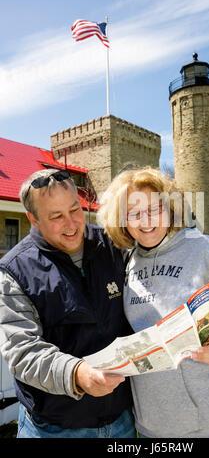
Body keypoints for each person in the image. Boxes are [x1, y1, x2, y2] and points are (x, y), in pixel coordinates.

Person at [98, 166, 209, 439]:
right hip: (155, 429)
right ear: (122, 220)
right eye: (134, 213)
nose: (145, 220)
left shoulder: (206, 250)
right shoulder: (126, 265)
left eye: (154, 209)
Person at [0, 168, 136, 438]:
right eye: (56, 217)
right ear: (33, 219)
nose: (72, 224)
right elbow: (21, 352)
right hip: (52, 428)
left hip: (122, 421)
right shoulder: (13, 271)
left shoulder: (113, 245)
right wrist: (77, 374)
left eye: (75, 210)